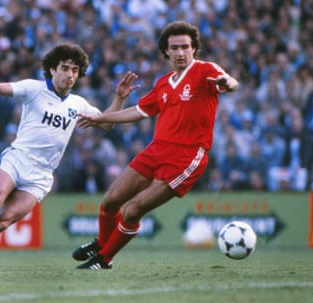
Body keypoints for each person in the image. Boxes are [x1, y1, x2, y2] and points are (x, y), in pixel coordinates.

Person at [0, 43, 139, 269]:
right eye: (65, 68)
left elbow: (106, 124)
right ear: (52, 69)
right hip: (18, 159)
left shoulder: (78, 103)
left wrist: (119, 98)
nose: (70, 75)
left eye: (75, 70)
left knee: (4, 220)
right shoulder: (34, 88)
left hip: (41, 175)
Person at [73, 21, 239, 270]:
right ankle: (101, 244)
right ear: (166, 52)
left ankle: (104, 259)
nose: (181, 52)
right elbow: (138, 112)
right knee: (110, 200)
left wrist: (227, 83)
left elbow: (230, 81)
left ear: (194, 49)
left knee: (134, 209)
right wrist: (101, 117)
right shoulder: (163, 83)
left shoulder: (205, 70)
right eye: (175, 48)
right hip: (156, 149)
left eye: (186, 47)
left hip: (187, 155)